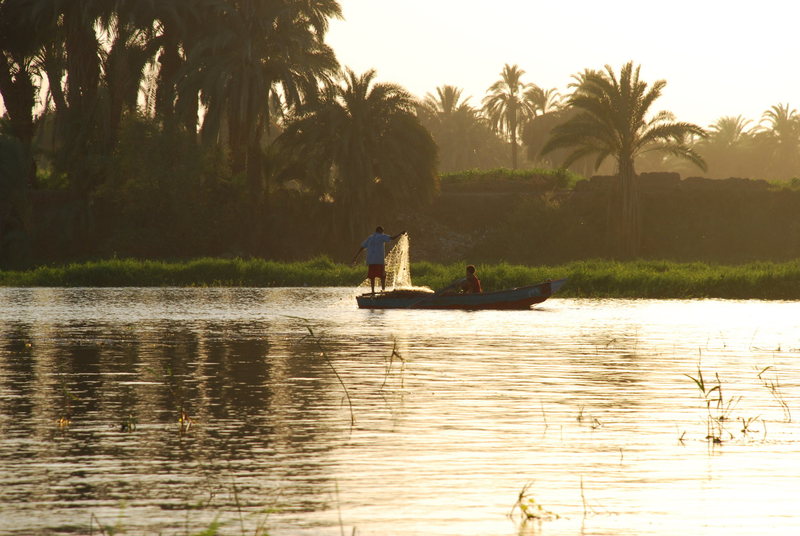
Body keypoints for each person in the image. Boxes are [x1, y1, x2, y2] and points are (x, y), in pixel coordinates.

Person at [353, 226, 406, 294]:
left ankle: (373, 291)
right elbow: (392, 238)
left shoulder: (370, 238)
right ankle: (383, 290)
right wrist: (400, 233)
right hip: (379, 260)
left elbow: (362, 247)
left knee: (372, 276)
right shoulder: (382, 236)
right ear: (381, 231)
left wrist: (356, 256)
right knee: (383, 276)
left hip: (371, 261)